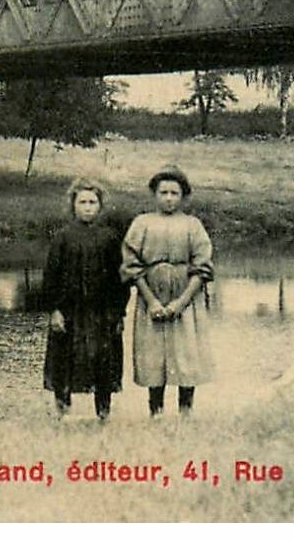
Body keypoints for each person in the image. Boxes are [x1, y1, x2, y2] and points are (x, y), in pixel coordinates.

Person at [120, 165, 214, 417]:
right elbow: (131, 265)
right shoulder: (142, 223)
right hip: (152, 295)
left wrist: (180, 303)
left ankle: (186, 413)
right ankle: (156, 413)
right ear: (155, 194)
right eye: (163, 192)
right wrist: (151, 301)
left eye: (174, 193)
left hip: (186, 299)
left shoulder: (192, 225)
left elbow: (202, 268)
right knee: (154, 357)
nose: (169, 198)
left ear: (183, 195)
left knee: (186, 354)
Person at [41, 178, 128, 422]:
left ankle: (103, 413)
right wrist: (55, 310)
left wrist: (119, 312)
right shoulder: (62, 238)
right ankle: (62, 411)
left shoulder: (110, 238)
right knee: (64, 360)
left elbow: (119, 279)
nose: (88, 207)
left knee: (103, 360)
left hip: (102, 313)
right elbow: (51, 276)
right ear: (73, 205)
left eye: (93, 202)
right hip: (70, 311)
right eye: (82, 202)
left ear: (100, 206)